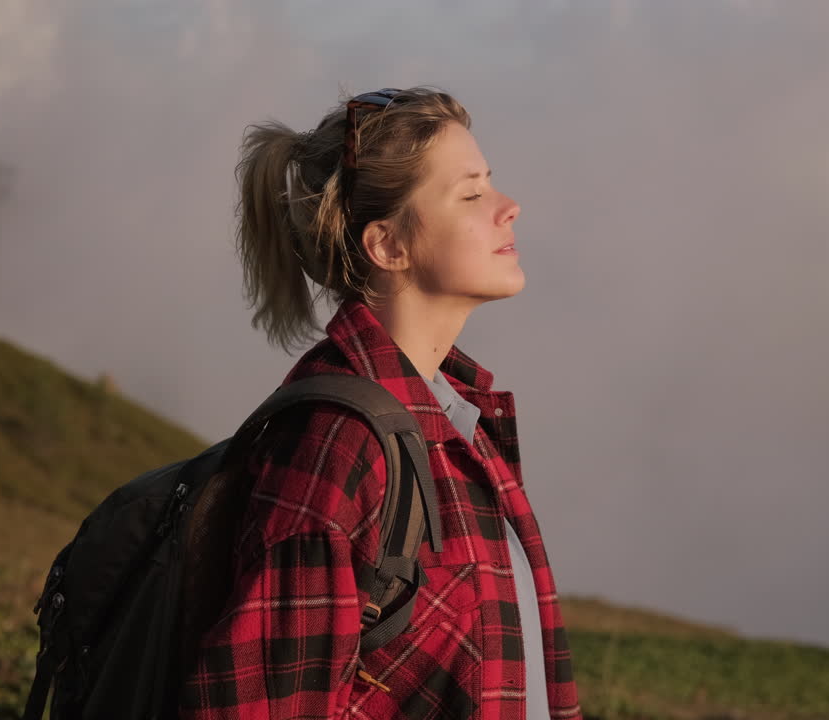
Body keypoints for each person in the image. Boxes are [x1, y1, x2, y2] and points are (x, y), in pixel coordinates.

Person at [179, 87, 581, 720]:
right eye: (471, 194)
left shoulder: (459, 418)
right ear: (387, 246)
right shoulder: (339, 444)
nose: (509, 208)